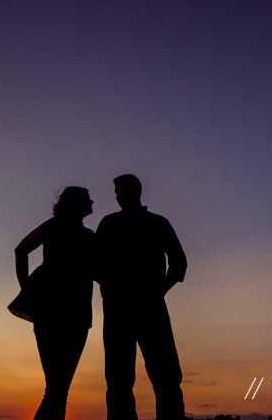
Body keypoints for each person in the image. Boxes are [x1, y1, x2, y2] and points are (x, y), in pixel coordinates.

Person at [96, 174, 187, 420]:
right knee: (118, 381)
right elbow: (94, 264)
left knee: (166, 378)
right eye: (116, 192)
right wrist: (112, 287)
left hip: (151, 310)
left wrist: (158, 290)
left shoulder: (158, 223)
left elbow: (179, 263)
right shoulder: (108, 224)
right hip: (117, 312)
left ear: (137, 190)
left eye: (123, 189)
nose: (118, 196)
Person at [14, 187, 96, 420]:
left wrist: (27, 289)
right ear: (76, 203)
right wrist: (27, 289)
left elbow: (21, 251)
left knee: (57, 387)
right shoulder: (61, 229)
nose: (92, 201)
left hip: (64, 311)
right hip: (64, 312)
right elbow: (21, 250)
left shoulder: (81, 234)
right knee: (58, 388)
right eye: (87, 198)